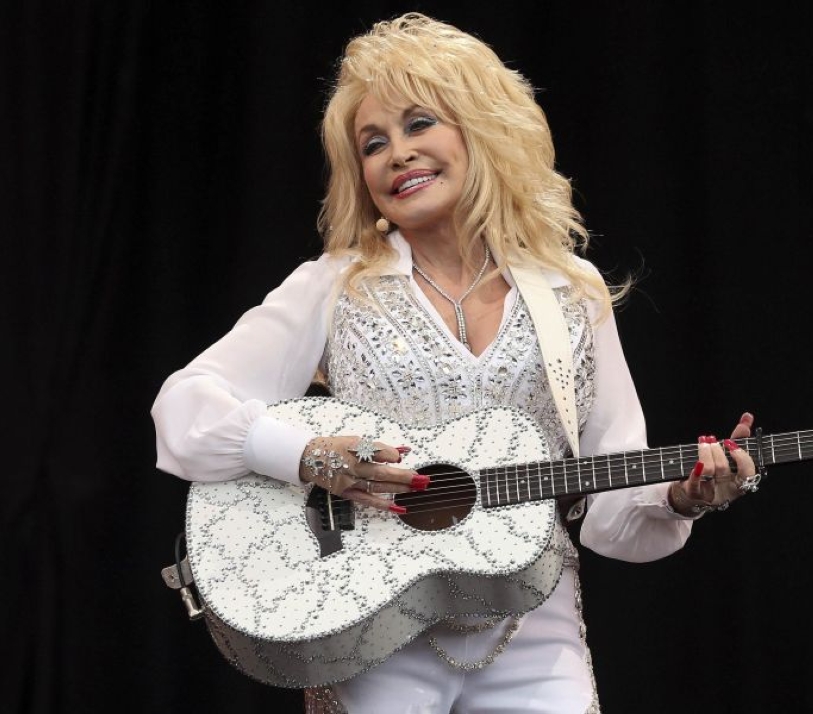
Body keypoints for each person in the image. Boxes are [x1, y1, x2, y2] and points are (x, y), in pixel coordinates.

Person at [151, 13, 758, 714]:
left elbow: (613, 501)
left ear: (483, 130)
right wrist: (309, 455)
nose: (396, 155)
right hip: (369, 624)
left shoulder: (571, 292)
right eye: (373, 143)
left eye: (419, 125)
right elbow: (186, 405)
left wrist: (684, 497)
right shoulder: (338, 283)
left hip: (533, 624)